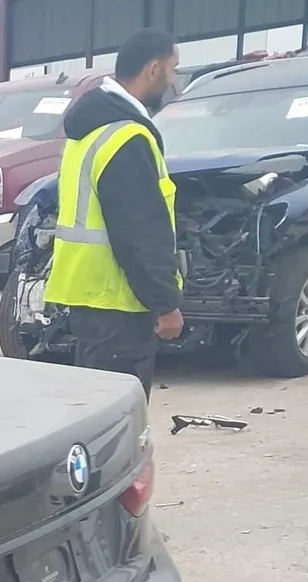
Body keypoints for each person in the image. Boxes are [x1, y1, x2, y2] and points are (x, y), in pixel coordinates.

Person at [46, 29, 184, 395]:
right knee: (119, 411)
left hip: (88, 295)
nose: (175, 81)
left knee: (96, 405)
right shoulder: (127, 138)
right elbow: (139, 231)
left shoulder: (90, 130)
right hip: (118, 300)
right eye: (173, 69)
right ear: (153, 69)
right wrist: (165, 303)